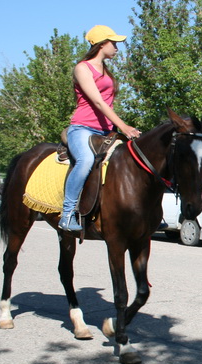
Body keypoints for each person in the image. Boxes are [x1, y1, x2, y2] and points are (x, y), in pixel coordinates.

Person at [60, 24, 141, 232]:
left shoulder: (106, 70)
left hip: (107, 131)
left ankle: (143, 212)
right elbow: (98, 102)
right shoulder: (82, 68)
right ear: (101, 44)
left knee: (135, 159)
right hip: (83, 129)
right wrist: (124, 125)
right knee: (86, 160)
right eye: (113, 43)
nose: (116, 47)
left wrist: (118, 128)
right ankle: (67, 214)